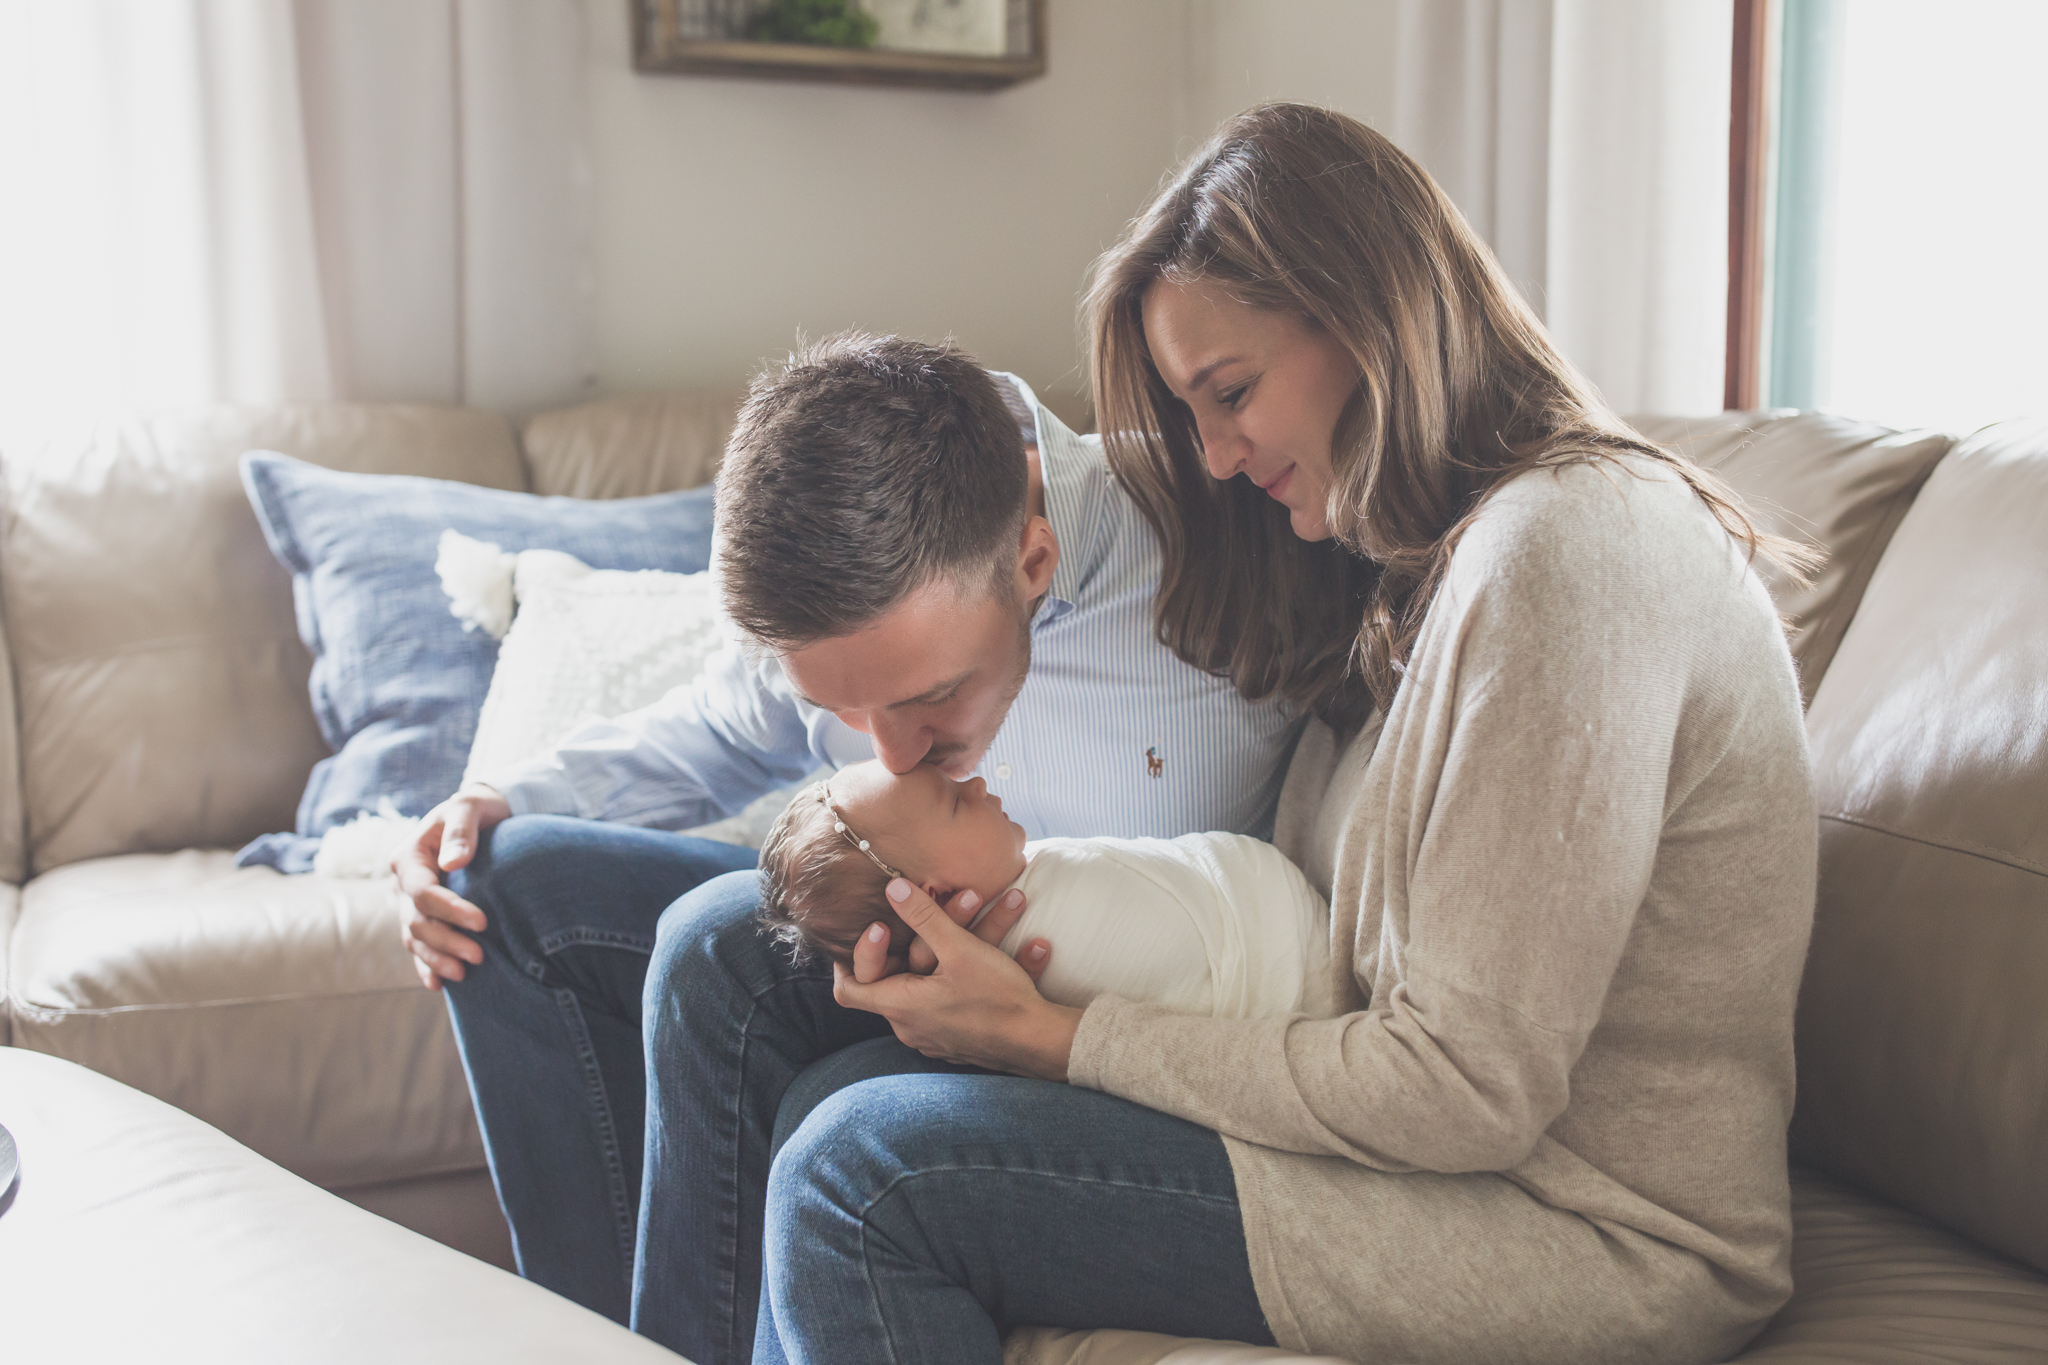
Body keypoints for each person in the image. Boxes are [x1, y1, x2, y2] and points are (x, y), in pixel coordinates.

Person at [757, 104, 1820, 1365]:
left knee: (863, 1174)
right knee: (832, 1086)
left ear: (1372, 319)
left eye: (1231, 391)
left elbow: (1467, 1094)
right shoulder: (1421, 570)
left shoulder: (1569, 556)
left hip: (1585, 1229)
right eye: (1188, 407)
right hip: (1435, 1168)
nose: (1208, 454)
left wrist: (1051, 1038)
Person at [390, 333, 1302, 1352]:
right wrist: (488, 797)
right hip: (916, 966)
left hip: (1137, 1025)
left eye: (932, 697)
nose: (895, 757)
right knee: (506, 885)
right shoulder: (835, 589)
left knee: (720, 944)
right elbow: (720, 734)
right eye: (840, 713)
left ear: (1031, 561)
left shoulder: (1229, 523)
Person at [755, 759, 1335, 1020]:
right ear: (927, 894)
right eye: (955, 799)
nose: (978, 781)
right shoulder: (1051, 943)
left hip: (1285, 929)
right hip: (1288, 971)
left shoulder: (1016, 883)